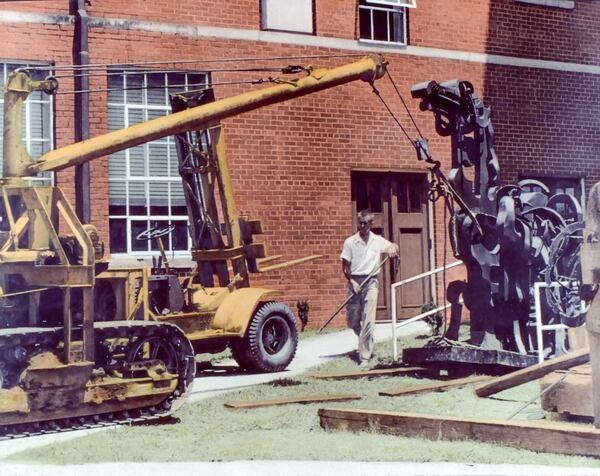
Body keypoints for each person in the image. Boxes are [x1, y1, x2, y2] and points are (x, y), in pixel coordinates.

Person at [340, 210, 399, 366]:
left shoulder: (377, 241)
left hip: (371, 282)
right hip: (354, 282)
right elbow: (345, 266)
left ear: (372, 224)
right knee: (352, 321)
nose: (362, 225)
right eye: (360, 222)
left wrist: (393, 248)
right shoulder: (350, 242)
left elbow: (393, 246)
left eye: (366, 223)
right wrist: (352, 282)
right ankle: (368, 340)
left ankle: (364, 356)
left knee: (368, 319)